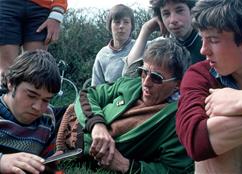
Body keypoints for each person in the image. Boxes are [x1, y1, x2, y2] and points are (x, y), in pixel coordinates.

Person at [56, 38, 193, 174]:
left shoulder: (178, 121)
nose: (146, 82)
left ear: (178, 84)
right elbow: (87, 94)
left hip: (69, 150)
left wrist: (126, 165)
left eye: (156, 77)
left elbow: (173, 170)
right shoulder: (130, 84)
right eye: (143, 72)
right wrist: (97, 125)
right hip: (67, 118)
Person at [175, 0, 242, 173]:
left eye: (213, 40)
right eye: (202, 38)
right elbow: (195, 141)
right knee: (214, 136)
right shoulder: (199, 75)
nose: (203, 50)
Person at [0, 49, 61, 173]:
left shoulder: (47, 119)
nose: (38, 107)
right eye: (31, 95)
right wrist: (2, 161)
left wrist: (49, 163)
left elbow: (44, 162)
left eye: (46, 100)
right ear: (11, 83)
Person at [123, 0, 205, 76]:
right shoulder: (164, 45)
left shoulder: (208, 41)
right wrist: (146, 29)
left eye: (179, 10)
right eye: (166, 14)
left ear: (192, 11)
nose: (173, 20)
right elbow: (129, 74)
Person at [0, 0, 67, 80]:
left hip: (41, 8)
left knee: (35, 71)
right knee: (6, 72)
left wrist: (57, 14)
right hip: (5, 5)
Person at [91, 4, 135, 86]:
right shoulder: (102, 55)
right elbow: (96, 89)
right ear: (110, 25)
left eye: (126, 22)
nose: (121, 26)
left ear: (131, 26)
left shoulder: (141, 46)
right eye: (117, 22)